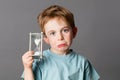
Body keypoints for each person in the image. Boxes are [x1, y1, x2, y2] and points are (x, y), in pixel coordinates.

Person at [21, 5, 100, 80]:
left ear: (74, 32)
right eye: (53, 33)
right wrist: (27, 68)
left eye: (65, 30)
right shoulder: (38, 61)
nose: (60, 37)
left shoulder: (82, 62)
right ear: (46, 38)